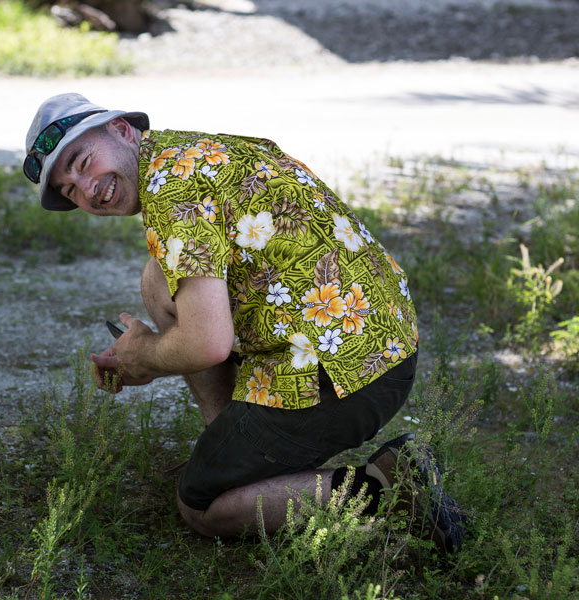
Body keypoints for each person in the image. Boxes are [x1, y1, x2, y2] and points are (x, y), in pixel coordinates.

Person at [23, 93, 465, 553]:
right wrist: (151, 354)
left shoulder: (174, 193)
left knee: (201, 504)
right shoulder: (192, 152)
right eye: (70, 191)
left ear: (120, 129)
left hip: (343, 376)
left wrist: (145, 355)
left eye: (82, 161)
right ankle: (236, 447)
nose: (87, 189)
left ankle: (387, 485)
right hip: (381, 339)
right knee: (159, 278)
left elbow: (208, 343)